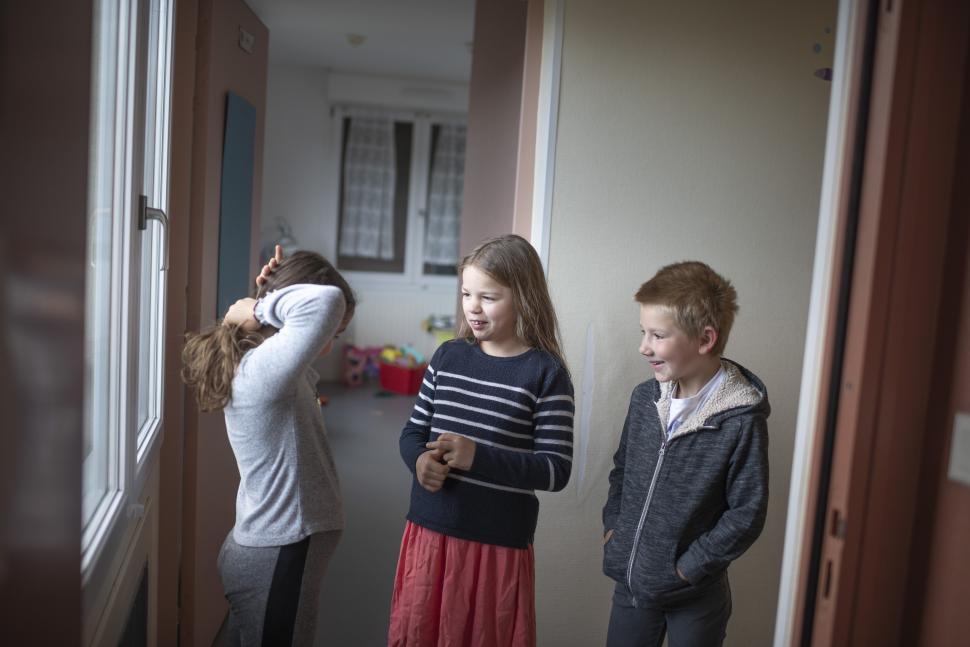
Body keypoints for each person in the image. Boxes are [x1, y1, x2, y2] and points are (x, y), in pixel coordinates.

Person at [388, 234, 575, 647]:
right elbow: (413, 433)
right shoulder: (448, 357)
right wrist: (418, 461)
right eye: (467, 293)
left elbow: (556, 469)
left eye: (488, 297)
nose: (473, 306)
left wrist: (478, 457)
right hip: (430, 531)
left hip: (497, 545)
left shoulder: (546, 373)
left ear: (523, 298)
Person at [182, 246, 356, 647]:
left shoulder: (269, 363)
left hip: (275, 550)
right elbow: (327, 301)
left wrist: (265, 302)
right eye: (333, 332)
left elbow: (315, 312)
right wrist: (262, 308)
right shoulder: (263, 372)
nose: (327, 342)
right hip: (280, 553)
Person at [601, 261, 769, 647]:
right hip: (633, 587)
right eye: (643, 332)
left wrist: (690, 567)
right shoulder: (645, 399)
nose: (644, 346)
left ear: (705, 339)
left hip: (694, 595)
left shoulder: (739, 419)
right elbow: (622, 470)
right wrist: (615, 529)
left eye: (657, 335)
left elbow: (747, 511)